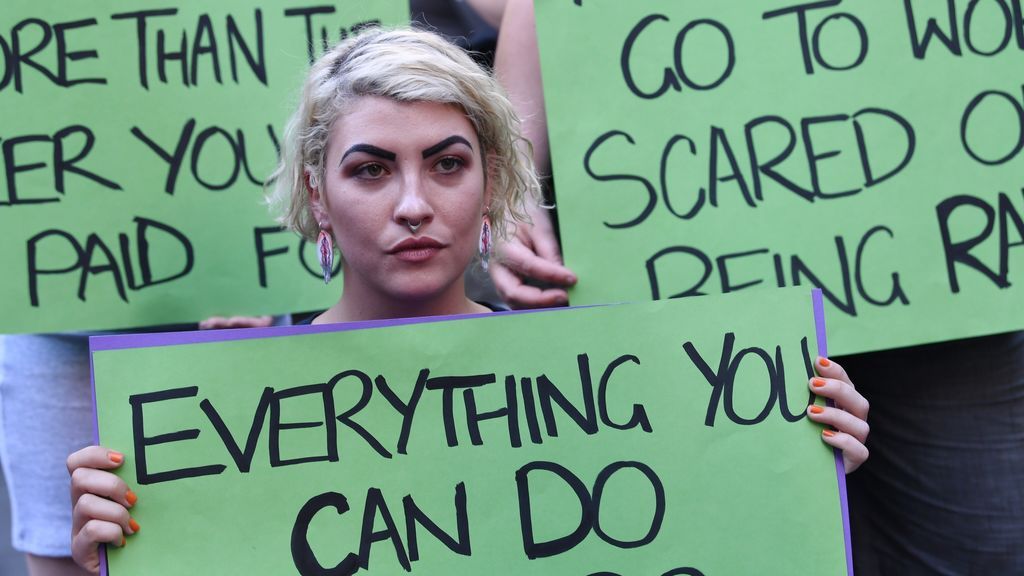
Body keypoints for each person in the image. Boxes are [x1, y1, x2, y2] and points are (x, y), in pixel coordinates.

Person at [65, 26, 869, 574]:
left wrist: (795, 461)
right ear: (317, 191)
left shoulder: (614, 397)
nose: (413, 203)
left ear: (491, 186)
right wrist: (117, 550)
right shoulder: (222, 423)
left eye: (447, 164)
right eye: (371, 169)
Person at [488, 1, 1023, 573]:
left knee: (980, 549)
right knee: (734, 546)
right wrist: (512, 193)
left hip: (947, 280)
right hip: (691, 285)